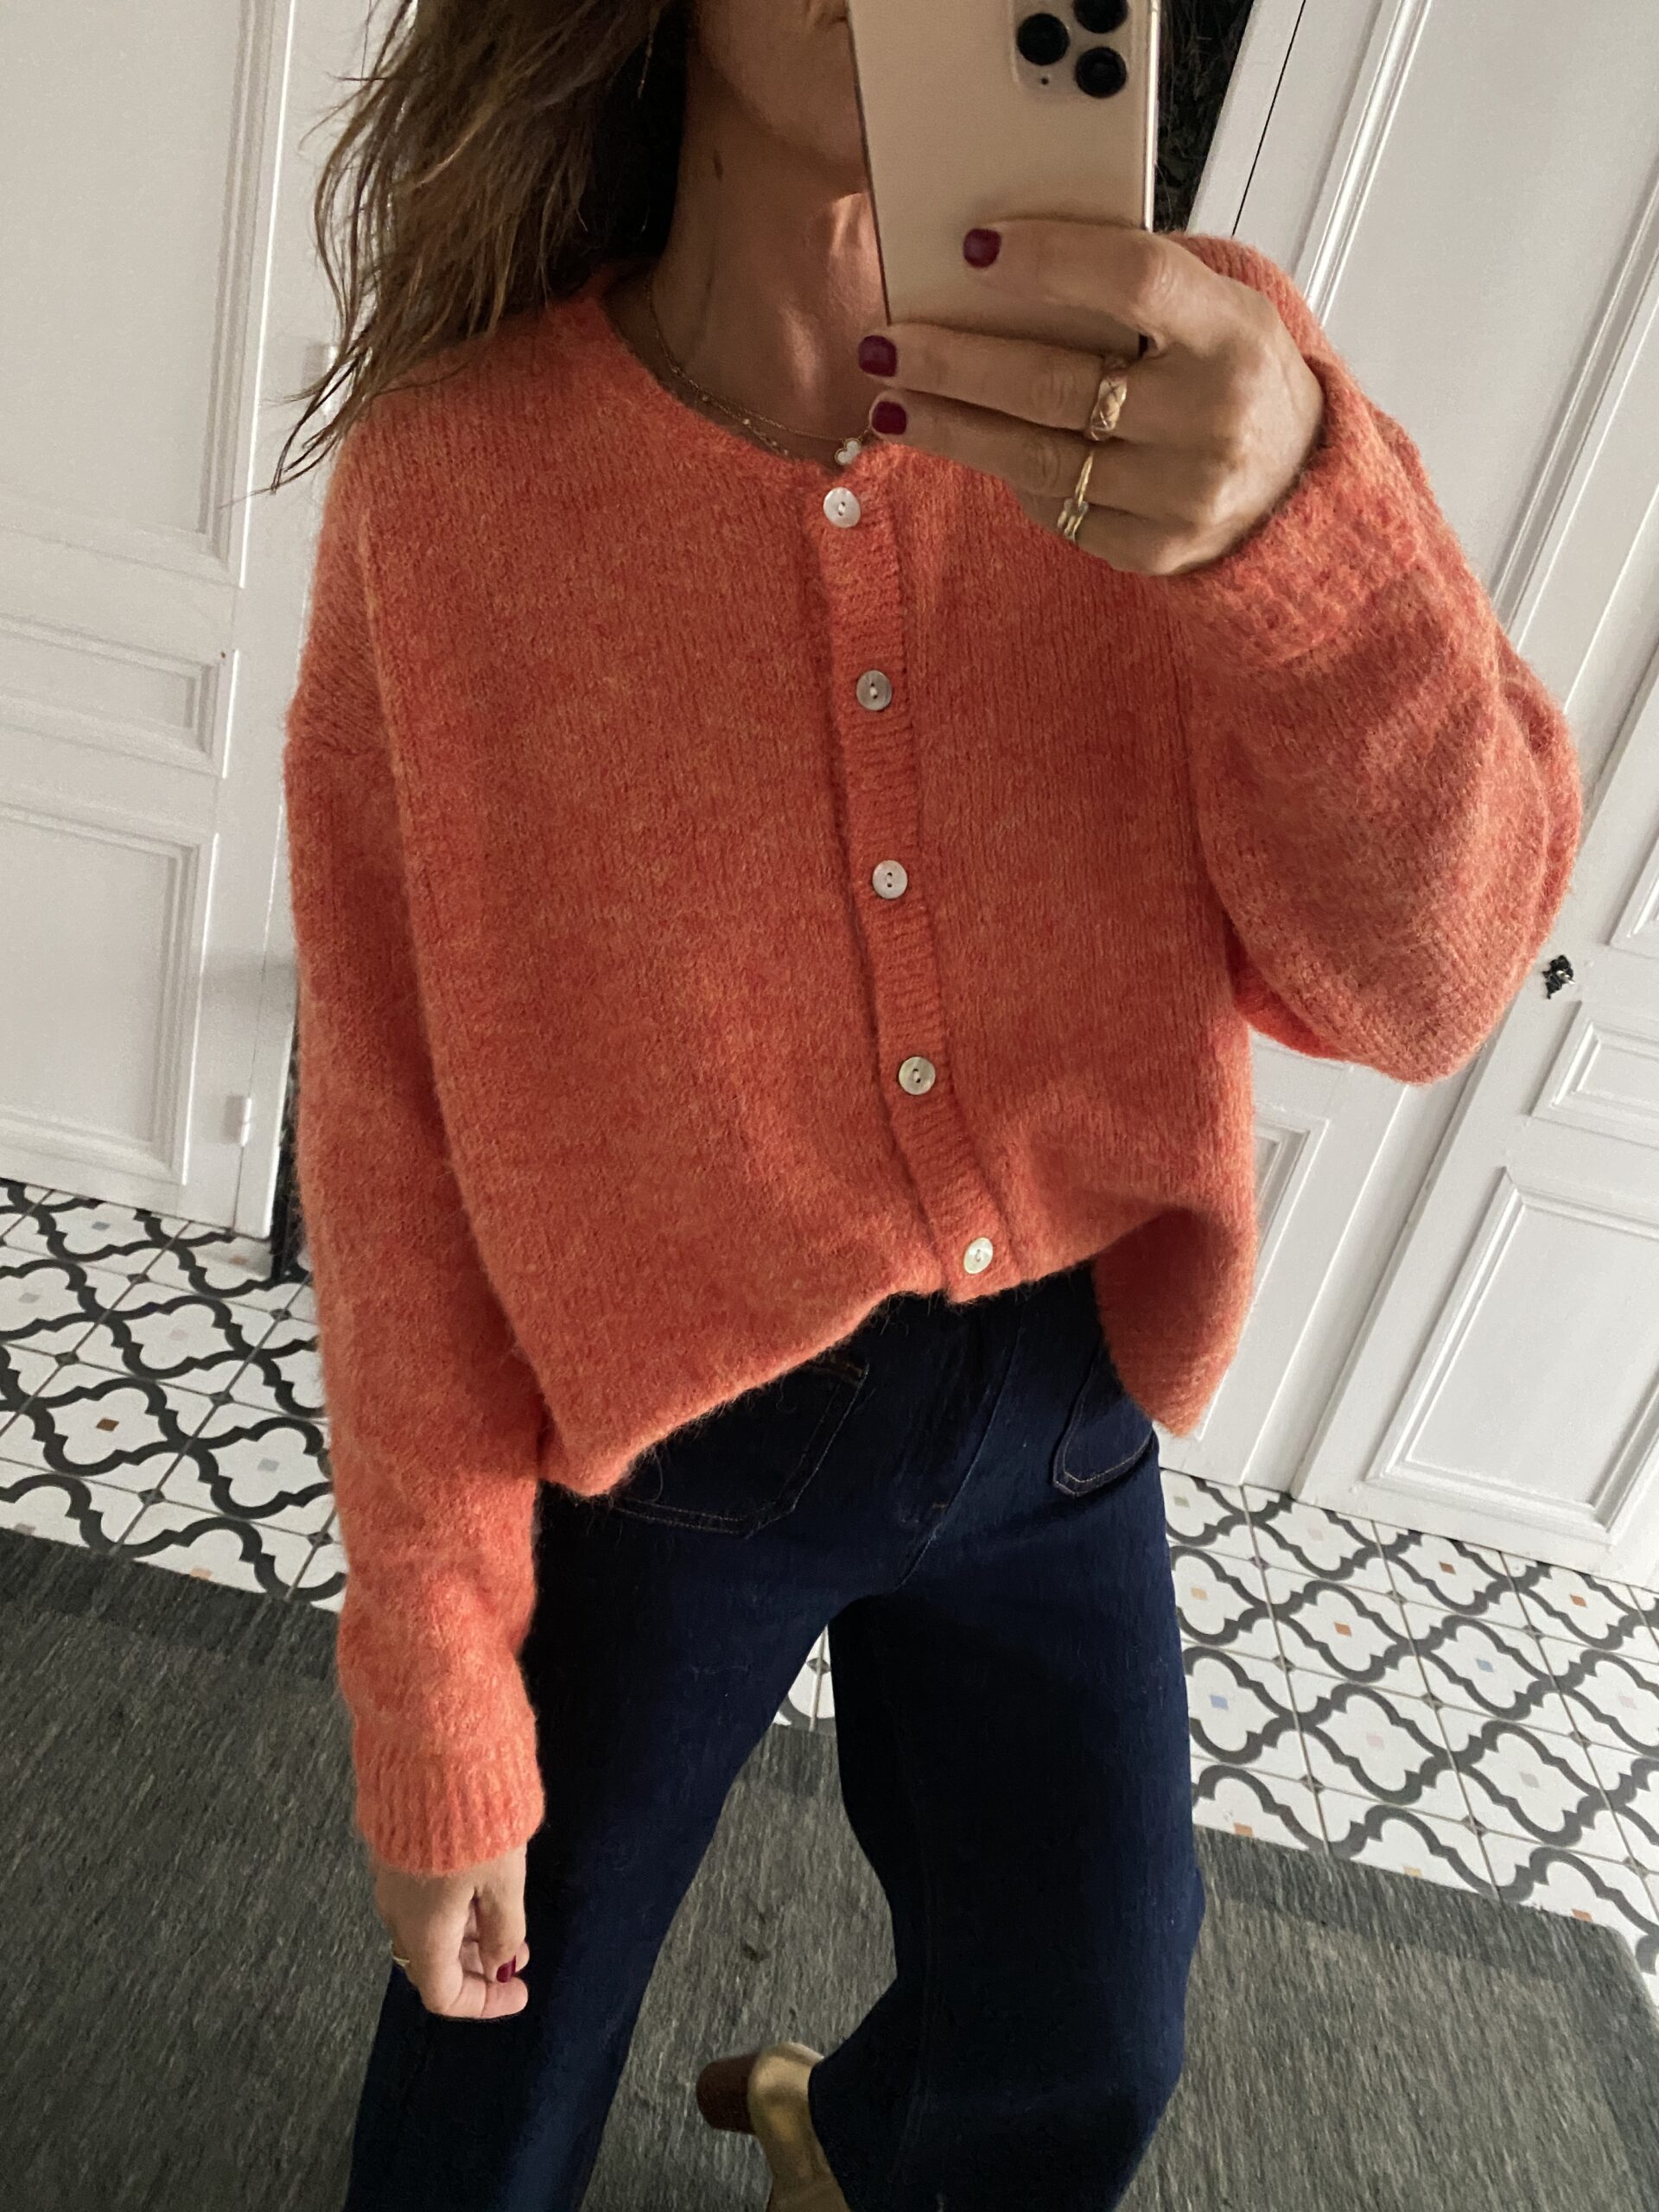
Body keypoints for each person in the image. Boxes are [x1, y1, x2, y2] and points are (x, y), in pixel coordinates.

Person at [273, 3, 1583, 2207]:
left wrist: (1301, 537)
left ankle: (841, 2137)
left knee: (1089, 2031)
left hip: (1062, 1413)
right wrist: (434, 1679)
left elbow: (1434, 989)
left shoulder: (1195, 398)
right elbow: (393, 1145)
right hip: (676, 1453)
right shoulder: (456, 490)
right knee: (496, 2053)